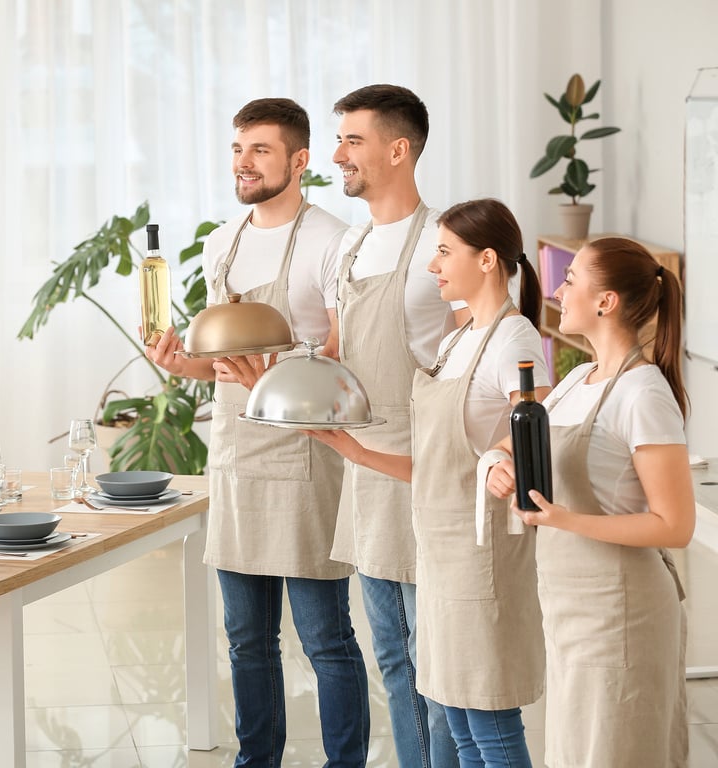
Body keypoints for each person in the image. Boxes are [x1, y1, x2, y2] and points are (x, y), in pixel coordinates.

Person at [146, 98, 369, 767]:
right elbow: (220, 365)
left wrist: (271, 369)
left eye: (261, 151)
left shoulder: (334, 239)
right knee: (246, 638)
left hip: (305, 453)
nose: (244, 163)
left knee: (325, 636)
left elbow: (342, 353)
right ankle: (257, 761)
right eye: (238, 149)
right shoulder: (225, 240)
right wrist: (179, 363)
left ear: (301, 161)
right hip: (238, 453)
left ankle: (345, 763)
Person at [287, 199, 549, 766]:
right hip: (438, 547)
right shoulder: (455, 342)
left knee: (488, 718)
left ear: (486, 261)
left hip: (480, 554)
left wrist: (505, 454)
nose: (434, 266)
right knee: (456, 717)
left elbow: (536, 425)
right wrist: (352, 450)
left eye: (444, 252)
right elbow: (435, 466)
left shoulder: (515, 340)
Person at [486, 237, 693, 768]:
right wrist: (498, 465)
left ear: (606, 302)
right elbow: (511, 442)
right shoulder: (578, 378)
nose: (558, 289)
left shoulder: (643, 393)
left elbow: (675, 525)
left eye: (572, 279)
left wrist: (563, 519)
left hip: (622, 611)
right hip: (569, 604)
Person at [327, 84, 464, 768]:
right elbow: (335, 354)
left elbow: (481, 356)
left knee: (435, 659)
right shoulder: (352, 244)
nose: (337, 154)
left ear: (398, 148)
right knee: (391, 655)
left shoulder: (445, 242)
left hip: (423, 473)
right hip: (365, 473)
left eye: (352, 140)